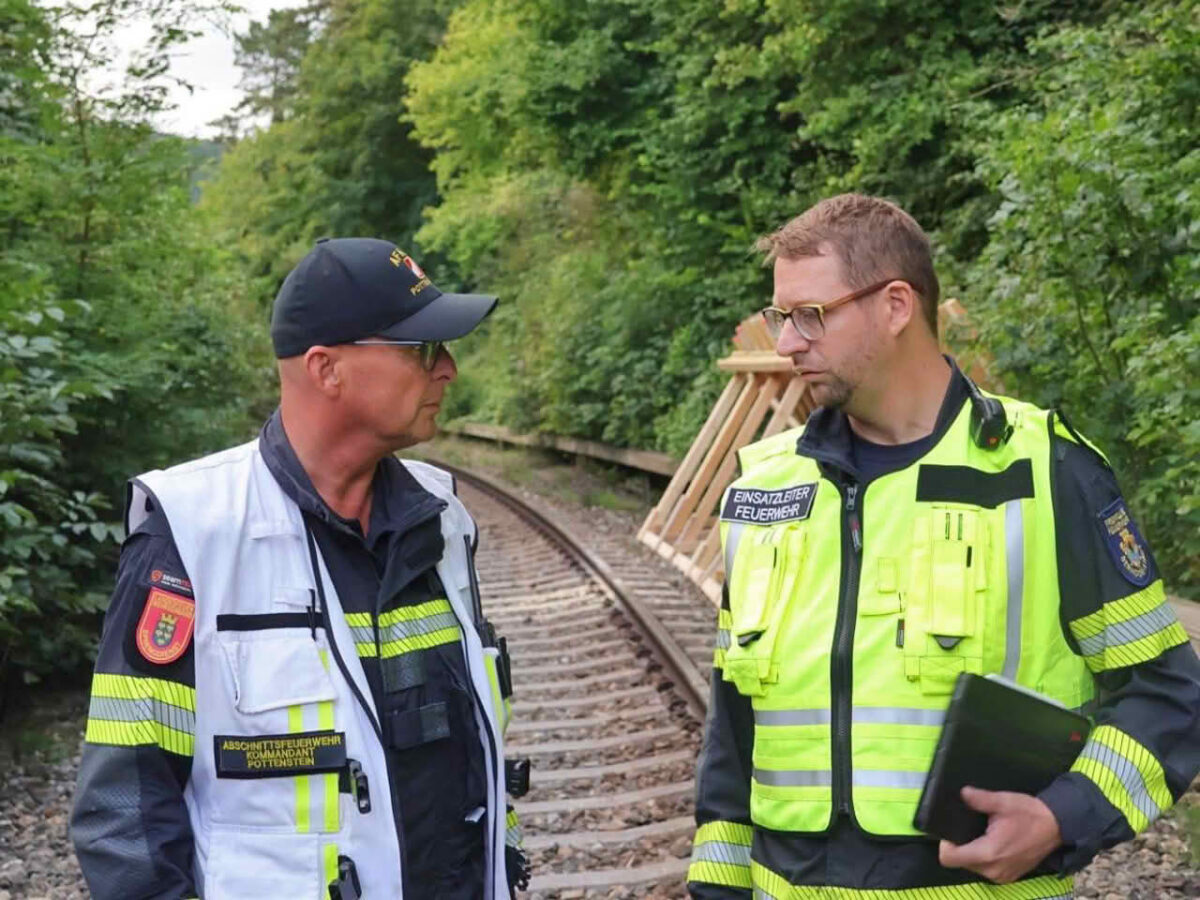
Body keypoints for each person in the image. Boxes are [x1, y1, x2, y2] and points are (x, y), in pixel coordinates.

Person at [687, 194, 1200, 899]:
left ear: (897, 306)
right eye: (781, 316)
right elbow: (732, 736)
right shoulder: (764, 488)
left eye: (811, 315)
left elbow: (1164, 695)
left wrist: (1060, 817)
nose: (786, 343)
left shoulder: (1042, 472)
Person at [71, 238, 529, 900]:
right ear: (326, 369)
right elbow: (125, 816)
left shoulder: (442, 517)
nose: (448, 369)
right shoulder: (193, 532)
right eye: (422, 349)